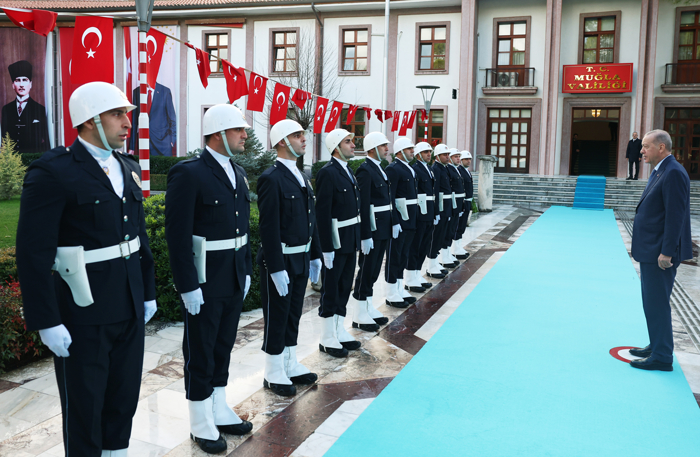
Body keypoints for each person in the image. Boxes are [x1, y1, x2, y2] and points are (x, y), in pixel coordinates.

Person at [16, 81, 156, 457]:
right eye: (117, 114)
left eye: (127, 114)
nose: (127, 122)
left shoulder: (127, 166)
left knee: (122, 400)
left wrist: (148, 292)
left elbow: (138, 237)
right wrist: (47, 320)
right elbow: (32, 253)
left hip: (129, 305)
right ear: (91, 120)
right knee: (85, 409)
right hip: (83, 312)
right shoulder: (54, 171)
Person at [165, 104, 253, 453]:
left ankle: (218, 407)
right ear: (217, 134)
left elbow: (243, 229)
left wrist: (246, 269)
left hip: (233, 276)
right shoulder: (189, 173)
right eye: (238, 130)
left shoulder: (238, 172)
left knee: (223, 346)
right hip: (204, 280)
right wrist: (187, 285)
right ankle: (201, 420)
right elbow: (177, 236)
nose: (245, 135)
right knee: (200, 351)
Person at [257, 119, 322, 396]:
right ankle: (273, 371)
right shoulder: (271, 178)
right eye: (297, 135)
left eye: (303, 134)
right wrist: (275, 267)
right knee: (277, 315)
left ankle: (289, 362)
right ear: (282, 141)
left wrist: (315, 255)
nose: (303, 139)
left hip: (300, 257)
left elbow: (310, 218)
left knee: (293, 313)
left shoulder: (301, 176)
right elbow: (268, 226)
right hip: (281, 260)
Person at [629, 129, 692, 372]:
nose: (642, 151)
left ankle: (662, 356)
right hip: (651, 249)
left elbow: (676, 216)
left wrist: (667, 252)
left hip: (659, 252)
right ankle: (657, 345)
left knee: (657, 303)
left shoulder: (673, 172)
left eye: (646, 146)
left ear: (661, 147)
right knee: (652, 302)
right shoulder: (661, 169)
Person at [316, 129, 362, 357]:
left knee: (344, 286)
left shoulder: (347, 171)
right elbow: (322, 214)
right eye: (348, 142)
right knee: (331, 289)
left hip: (349, 240)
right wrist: (326, 248)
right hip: (335, 242)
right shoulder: (328, 173)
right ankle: (327, 337)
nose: (353, 145)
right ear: (336, 147)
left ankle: (338, 330)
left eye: (352, 141)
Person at [352, 131, 395, 331]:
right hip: (373, 228)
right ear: (372, 149)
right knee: (367, 269)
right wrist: (365, 234)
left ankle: (368, 306)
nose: (387, 148)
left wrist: (393, 222)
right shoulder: (365, 170)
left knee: (375, 269)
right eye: (383, 145)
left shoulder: (379, 168)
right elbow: (363, 205)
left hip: (383, 228)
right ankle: (359, 313)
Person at [384, 137, 419, 307]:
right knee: (394, 256)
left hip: (410, 218)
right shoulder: (393, 169)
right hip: (399, 219)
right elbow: (390, 196)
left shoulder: (409, 168)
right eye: (409, 149)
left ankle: (399, 287)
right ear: (400, 152)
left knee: (403, 255)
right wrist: (394, 221)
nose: (413, 151)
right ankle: (391, 292)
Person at [404, 141, 437, 292]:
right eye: (425, 152)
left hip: (429, 211)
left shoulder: (428, 169)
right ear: (418, 155)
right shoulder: (415, 169)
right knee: (415, 246)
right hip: (420, 212)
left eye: (430, 152)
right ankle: (410, 278)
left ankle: (417, 274)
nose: (429, 154)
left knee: (424, 245)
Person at [1, 60, 50, 153]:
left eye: (24, 80)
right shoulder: (6, 109)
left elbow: (46, 140)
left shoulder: (40, 109)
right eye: (17, 80)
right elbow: (3, 138)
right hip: (12, 158)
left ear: (30, 84)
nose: (21, 85)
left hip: (33, 157)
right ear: (13, 85)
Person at [425, 144, 452, 279]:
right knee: (435, 238)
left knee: (441, 236)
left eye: (448, 154)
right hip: (440, 207)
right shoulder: (436, 169)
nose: (447, 157)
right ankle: (431, 265)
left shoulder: (444, 168)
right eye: (444, 155)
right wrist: (436, 211)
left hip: (445, 207)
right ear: (437, 156)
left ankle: (435, 262)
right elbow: (435, 192)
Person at [129, 83, 177, 156]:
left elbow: (172, 118)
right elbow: (134, 122)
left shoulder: (165, 91)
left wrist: (172, 140)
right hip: (144, 143)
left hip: (163, 144)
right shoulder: (137, 92)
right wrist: (132, 147)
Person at [444, 148, 465, 267]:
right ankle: (444, 255)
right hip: (452, 204)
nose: (458, 159)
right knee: (448, 231)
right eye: (455, 156)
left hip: (457, 203)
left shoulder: (456, 169)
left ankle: (448, 253)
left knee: (452, 230)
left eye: (459, 156)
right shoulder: (448, 169)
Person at [452, 151, 473, 256]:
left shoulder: (467, 171)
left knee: (462, 226)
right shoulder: (459, 170)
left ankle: (459, 247)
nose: (468, 161)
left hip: (468, 201)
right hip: (462, 201)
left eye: (470, 159)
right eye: (466, 159)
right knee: (458, 226)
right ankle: (455, 249)